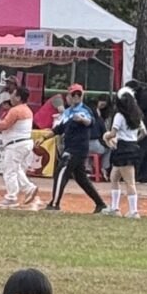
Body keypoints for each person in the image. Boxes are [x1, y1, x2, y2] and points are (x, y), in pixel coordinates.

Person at [44, 84, 105, 212]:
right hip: (71, 148)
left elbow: (90, 122)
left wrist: (82, 119)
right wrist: (44, 138)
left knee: (61, 172)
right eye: (73, 94)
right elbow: (59, 129)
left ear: (82, 96)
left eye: (78, 94)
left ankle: (54, 204)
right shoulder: (67, 112)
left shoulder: (84, 110)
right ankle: (100, 204)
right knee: (81, 178)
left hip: (76, 150)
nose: (76, 97)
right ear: (68, 96)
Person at [102, 87, 146, 217]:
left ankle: (134, 211)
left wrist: (106, 136)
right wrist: (134, 140)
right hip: (132, 147)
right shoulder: (137, 115)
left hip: (122, 149)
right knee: (114, 177)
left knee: (130, 182)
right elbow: (144, 132)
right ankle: (114, 208)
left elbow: (113, 133)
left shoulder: (119, 116)